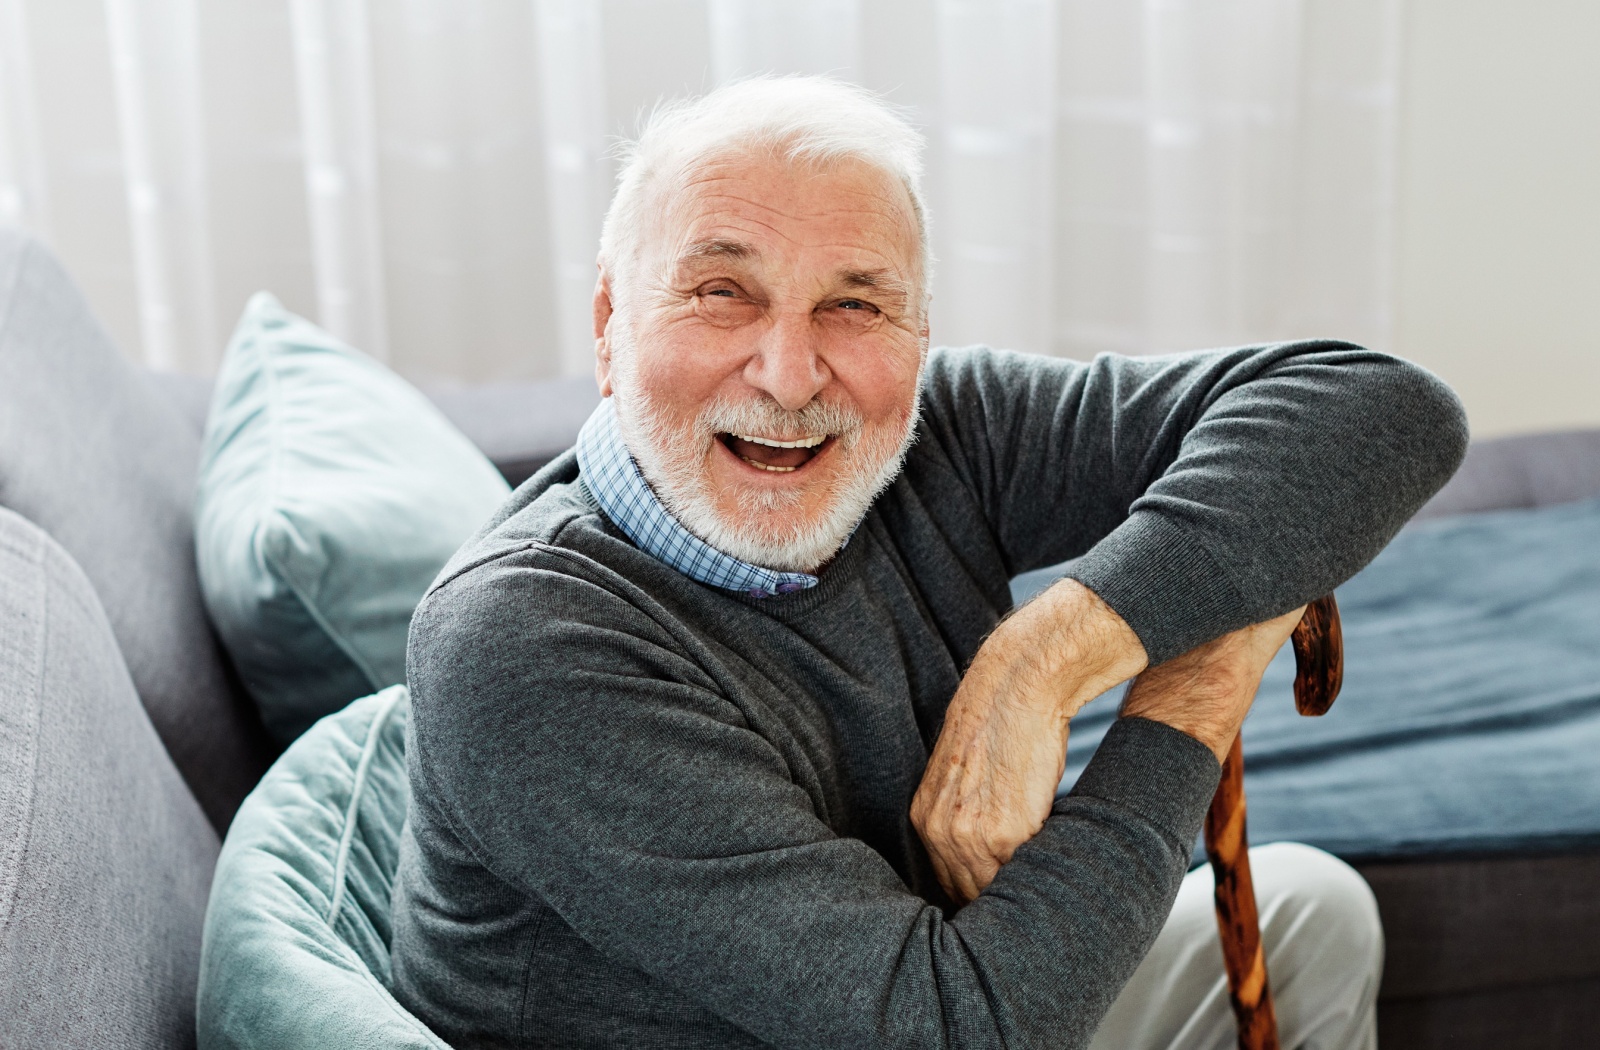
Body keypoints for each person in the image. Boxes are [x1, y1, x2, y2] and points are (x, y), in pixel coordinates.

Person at [390, 76, 1465, 1049]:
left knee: (1312, 914)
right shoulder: (526, 644)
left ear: (918, 330)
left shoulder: (936, 434)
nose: (789, 371)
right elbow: (958, 1028)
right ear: (609, 323)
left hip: (919, 994)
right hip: (926, 1019)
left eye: (854, 303)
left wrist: (1043, 657)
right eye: (724, 291)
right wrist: (1195, 685)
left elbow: (1381, 407)